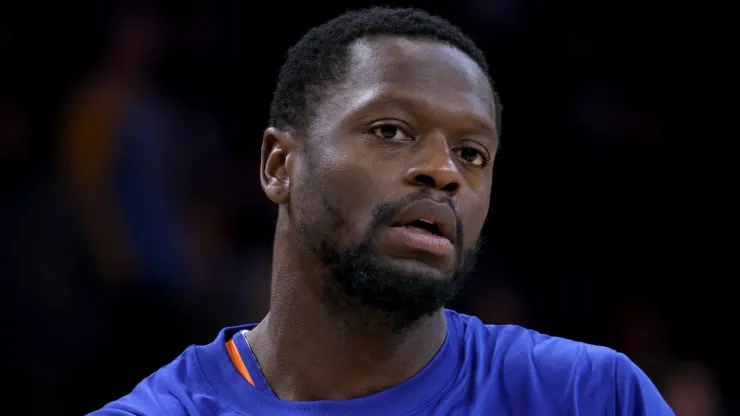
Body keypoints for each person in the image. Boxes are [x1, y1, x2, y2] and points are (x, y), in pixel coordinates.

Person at [90, 7, 673, 415]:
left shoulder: (589, 395)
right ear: (277, 166)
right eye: (392, 131)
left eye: (472, 154)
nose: (443, 171)